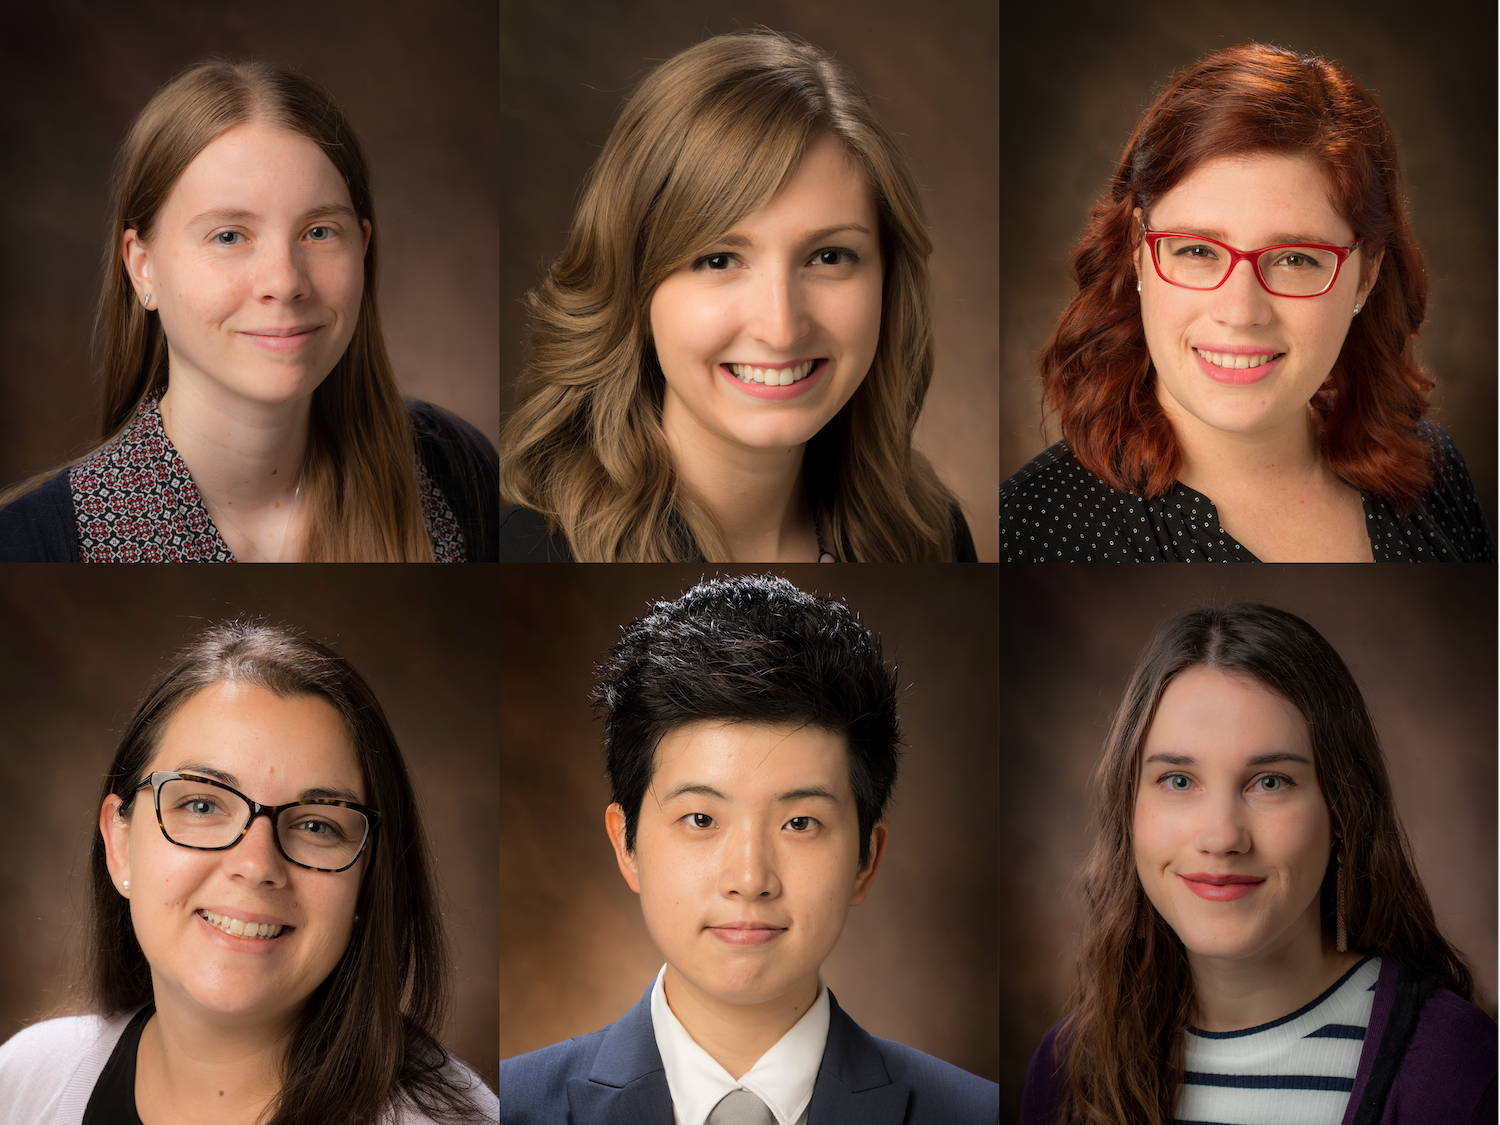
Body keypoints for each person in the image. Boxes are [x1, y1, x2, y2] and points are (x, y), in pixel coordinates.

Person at [497, 575, 997, 1123]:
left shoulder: (976, 1112)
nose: (750, 877)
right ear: (627, 845)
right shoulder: (508, 1106)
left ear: (865, 859)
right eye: (702, 818)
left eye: (800, 822)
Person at [999, 43, 1494, 562]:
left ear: (1367, 275)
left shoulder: (1432, 465)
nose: (1240, 310)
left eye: (1296, 259)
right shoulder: (1034, 528)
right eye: (1196, 250)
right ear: (1137, 254)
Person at [497, 30, 976, 563]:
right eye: (718, 260)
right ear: (633, 284)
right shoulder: (530, 551)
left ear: (889, 281)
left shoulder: (930, 537)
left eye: (829, 256)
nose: (781, 327)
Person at [0, 59, 497, 562]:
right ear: (143, 268)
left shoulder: (455, 469)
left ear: (363, 249)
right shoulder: (30, 546)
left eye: (319, 231)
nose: (284, 281)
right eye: (229, 236)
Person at [0, 621, 498, 1123]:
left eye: (318, 825)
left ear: (370, 882)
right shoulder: (23, 1081)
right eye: (200, 804)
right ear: (121, 845)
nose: (257, 865)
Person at [1020, 602, 1498, 1124]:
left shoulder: (1460, 1069)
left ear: (1343, 811)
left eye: (1270, 781)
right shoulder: (1067, 1068)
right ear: (1128, 808)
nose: (1222, 836)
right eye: (1179, 780)